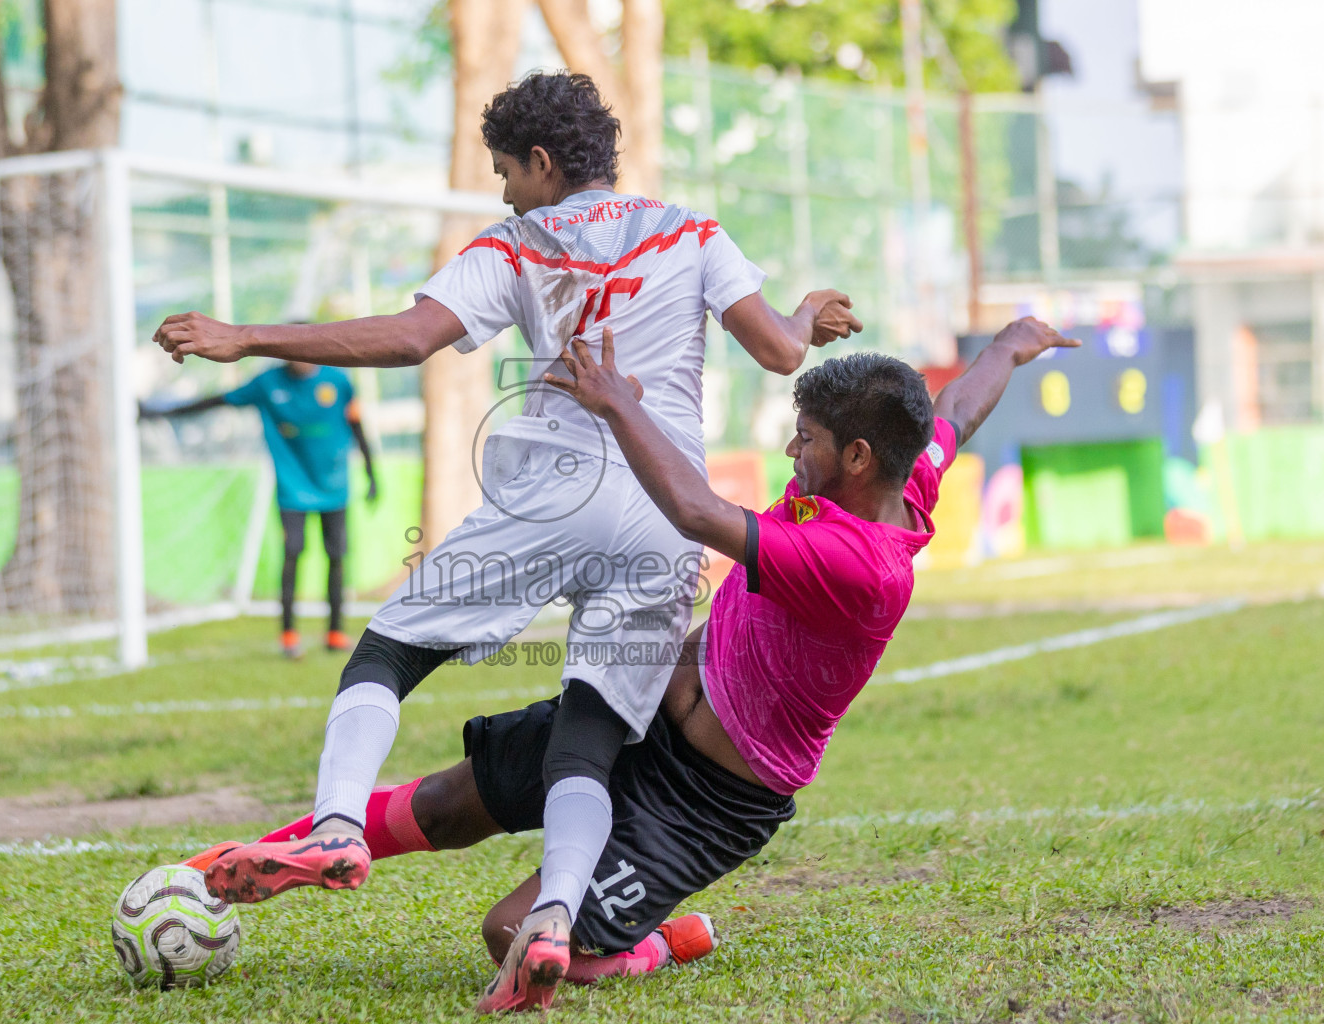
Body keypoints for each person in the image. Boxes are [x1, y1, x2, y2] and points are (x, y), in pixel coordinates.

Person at [153, 71, 862, 1005]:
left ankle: (334, 825)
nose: (501, 192)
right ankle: (556, 918)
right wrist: (809, 311)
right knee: (591, 732)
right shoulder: (693, 230)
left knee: (387, 651)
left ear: (541, 161)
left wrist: (248, 335)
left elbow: (410, 339)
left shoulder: (519, 241)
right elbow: (777, 349)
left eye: (505, 172)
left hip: (551, 492)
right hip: (664, 506)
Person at [189, 318, 1079, 1012]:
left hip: (707, 800)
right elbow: (955, 411)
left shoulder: (863, 565)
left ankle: (650, 944)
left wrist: (619, 402)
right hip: (641, 708)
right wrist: (1013, 343)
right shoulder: (903, 476)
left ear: (855, 457)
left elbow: (695, 513)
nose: (789, 453)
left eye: (803, 438)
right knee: (450, 801)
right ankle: (223, 872)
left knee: (513, 930)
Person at [141, 357, 378, 658]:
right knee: (292, 552)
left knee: (336, 556)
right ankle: (289, 634)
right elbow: (219, 400)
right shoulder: (268, 383)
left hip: (334, 486)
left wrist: (372, 472)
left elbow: (357, 425)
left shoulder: (339, 381)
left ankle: (335, 631)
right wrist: (160, 412)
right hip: (293, 487)